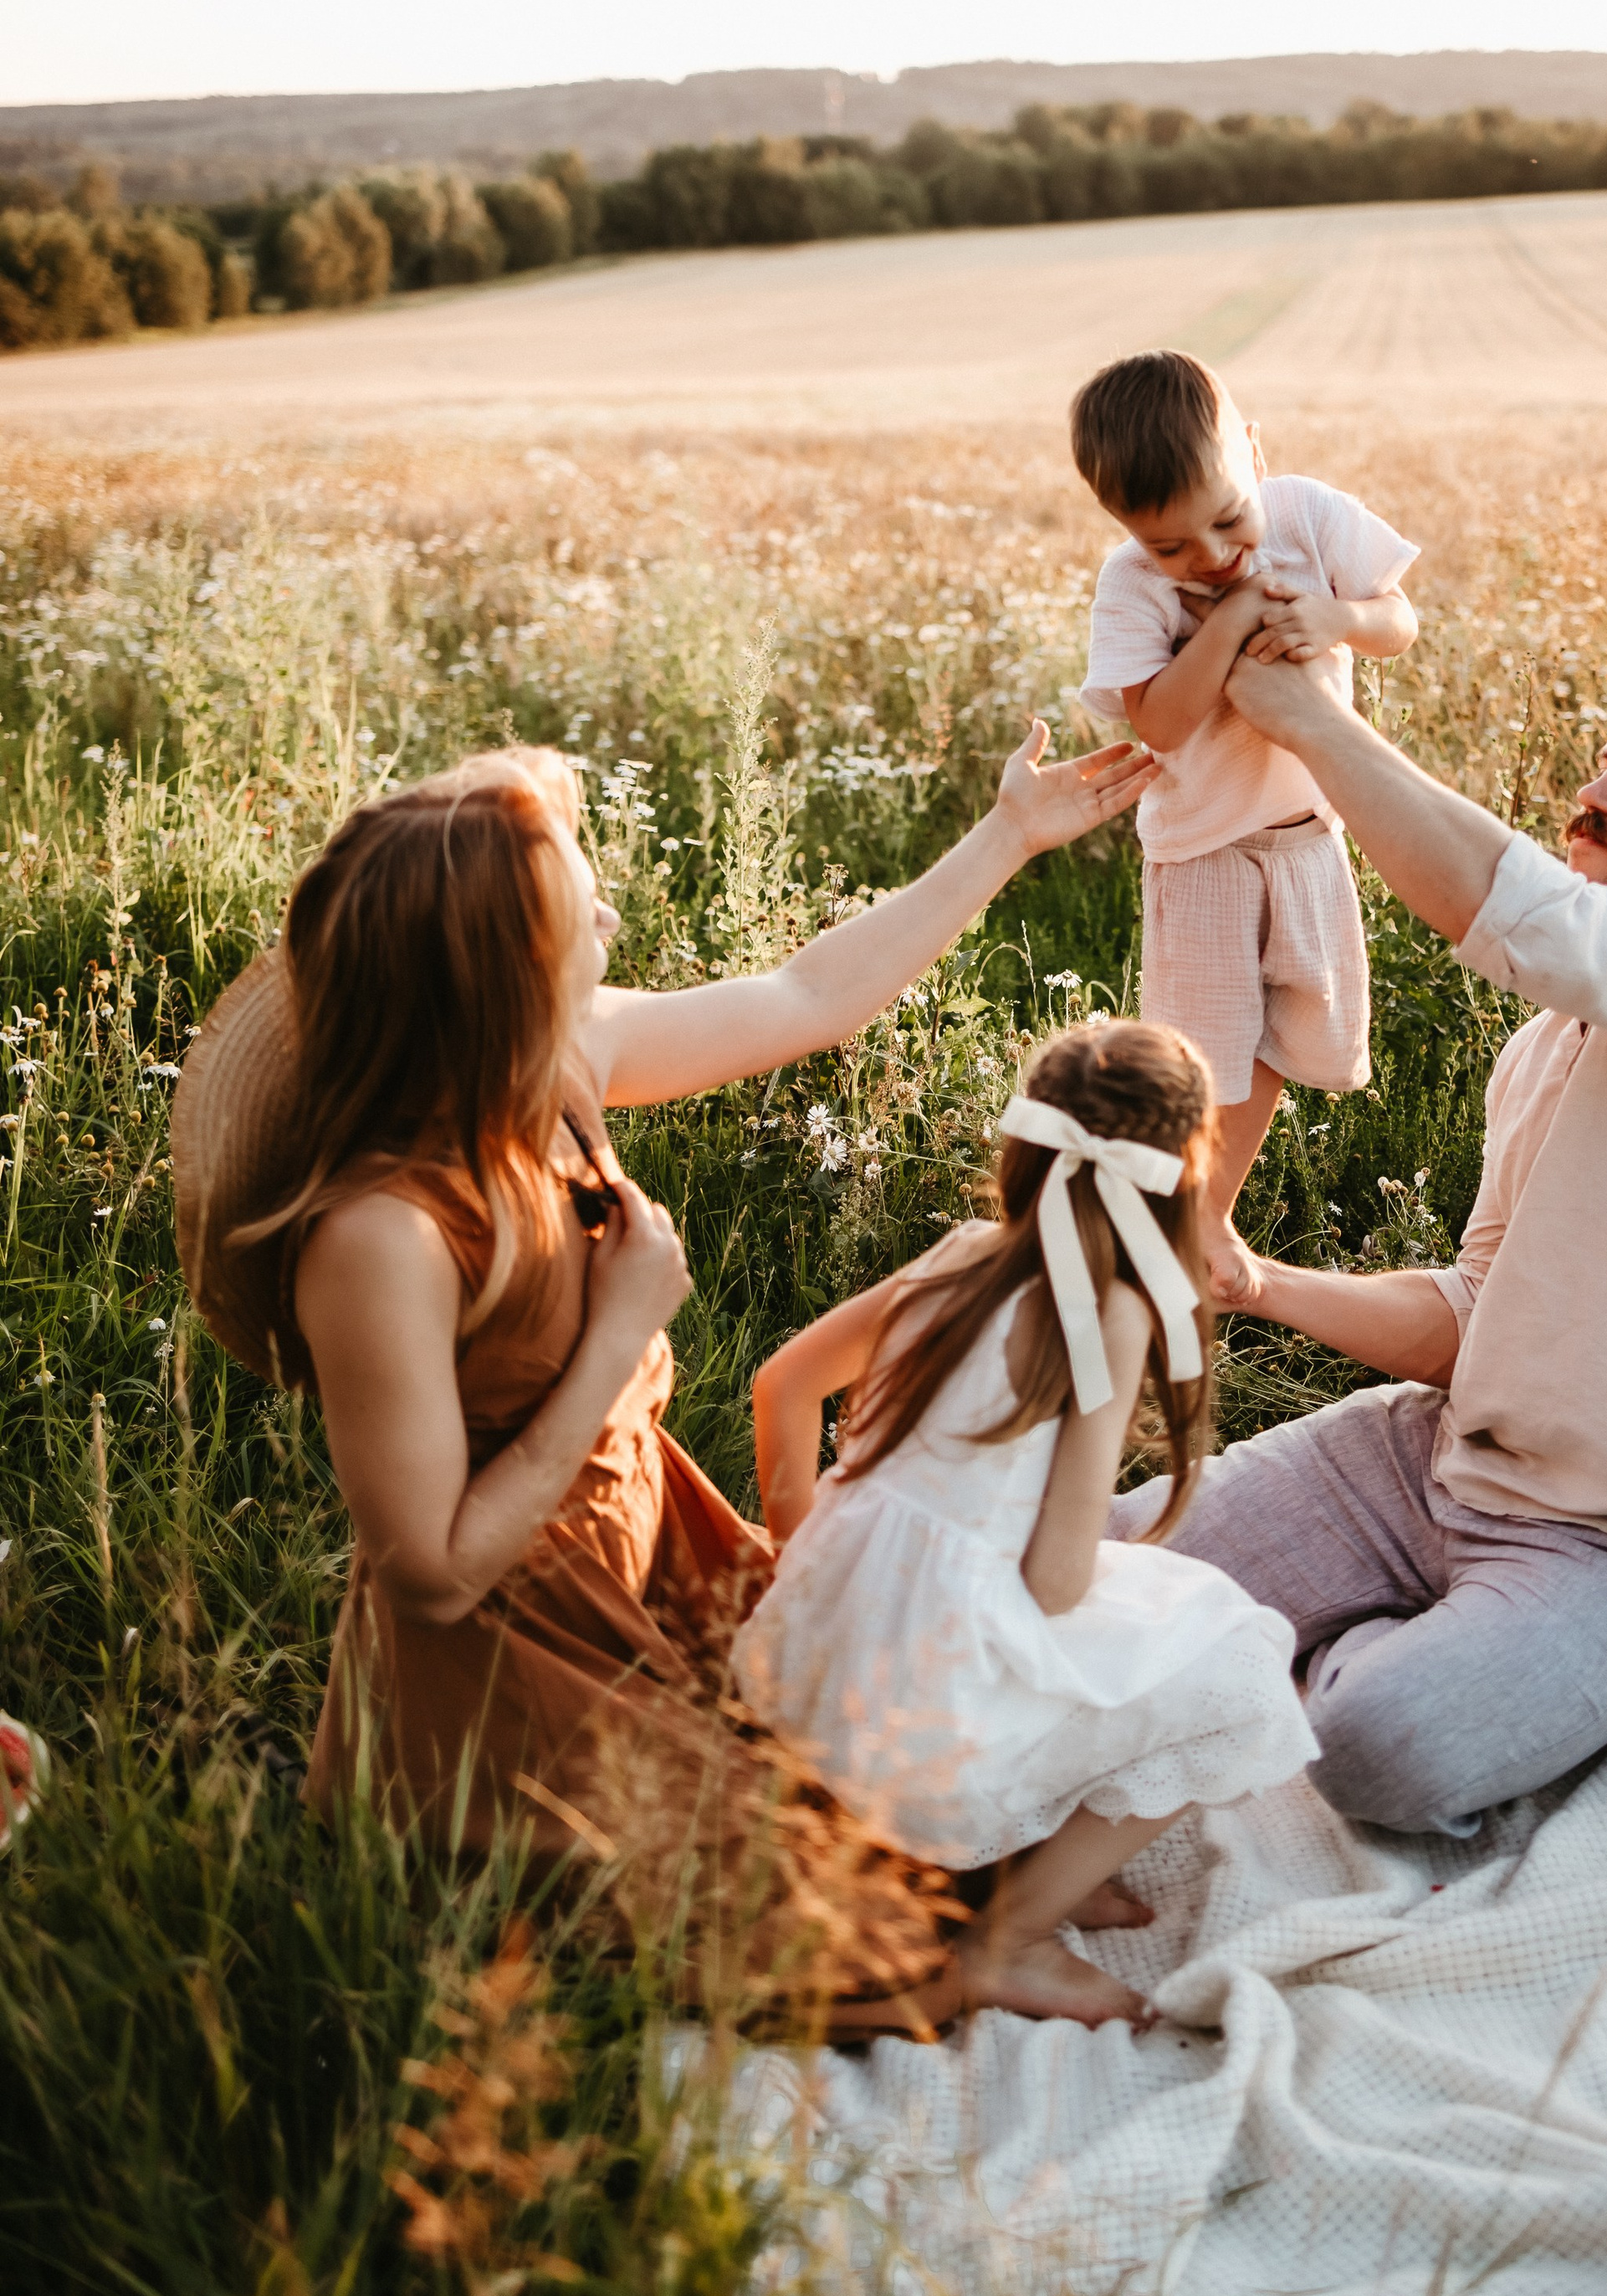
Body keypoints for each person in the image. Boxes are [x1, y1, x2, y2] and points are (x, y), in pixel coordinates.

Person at [171, 720, 1153, 1957]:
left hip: (652, 1547)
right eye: (586, 917)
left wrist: (1009, 832)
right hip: (513, 1659)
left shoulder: (557, 1069)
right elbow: (434, 1573)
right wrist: (618, 1332)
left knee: (918, 1777)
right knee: (852, 1934)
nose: (613, 933)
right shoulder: (382, 1238)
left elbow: (808, 998)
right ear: (506, 978)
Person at [1111, 665, 1607, 1841]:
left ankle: (1321, 1646)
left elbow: (1521, 912)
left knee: (1381, 1748)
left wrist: (1312, 720)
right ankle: (1316, 1628)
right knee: (1086, 1568)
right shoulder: (1541, 1049)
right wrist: (1258, 1281)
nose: (1596, 793)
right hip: (1437, 1464)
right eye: (1606, 762)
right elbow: (1473, 1314)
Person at [733, 1021, 1316, 2030]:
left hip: (811, 1657)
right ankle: (1011, 1943)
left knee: (1155, 1616)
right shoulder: (1112, 1313)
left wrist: (808, 1557)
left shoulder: (962, 1254)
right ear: (1179, 1176)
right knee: (1233, 1664)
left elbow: (782, 1387)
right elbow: (1053, 1585)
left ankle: (1028, 1862)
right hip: (927, 1724)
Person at [1071, 351, 1419, 1264]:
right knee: (1199, 1062)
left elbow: (1398, 619)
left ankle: (1204, 1217)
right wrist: (1225, 621)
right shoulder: (1133, 584)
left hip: (1310, 838)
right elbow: (1165, 723)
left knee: (1281, 1040)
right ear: (1125, 529)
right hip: (1205, 852)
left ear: (1254, 454)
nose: (1214, 556)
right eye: (1171, 546)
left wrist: (1337, 620)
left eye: (1228, 520)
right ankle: (1156, 1228)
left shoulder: (1306, 513)